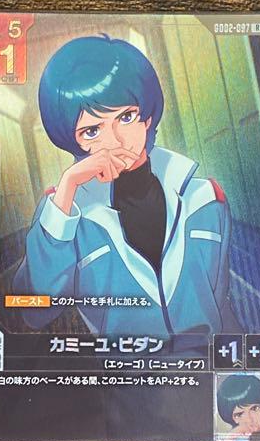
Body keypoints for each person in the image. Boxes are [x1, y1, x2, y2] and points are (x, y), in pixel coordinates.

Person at [13, 35, 231, 340]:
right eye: (92, 130)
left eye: (126, 117)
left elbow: (222, 305)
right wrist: (68, 185)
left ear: (147, 117)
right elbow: (34, 310)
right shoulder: (66, 214)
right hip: (121, 365)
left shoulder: (205, 199)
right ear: (73, 140)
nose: (115, 140)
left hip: (203, 362)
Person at [216, 374, 260, 441]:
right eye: (239, 415)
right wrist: (230, 438)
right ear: (232, 418)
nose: (249, 419)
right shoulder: (232, 438)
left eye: (254, 408)